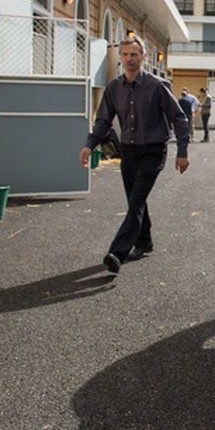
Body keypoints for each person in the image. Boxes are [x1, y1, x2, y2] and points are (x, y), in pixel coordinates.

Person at [79, 36, 191, 274]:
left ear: (143, 57)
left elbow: (179, 118)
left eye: (134, 54)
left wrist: (182, 151)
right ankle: (145, 241)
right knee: (134, 201)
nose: (130, 59)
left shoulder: (157, 86)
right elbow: (103, 121)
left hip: (153, 151)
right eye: (126, 54)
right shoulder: (113, 88)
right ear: (120, 58)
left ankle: (117, 253)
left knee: (137, 201)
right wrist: (90, 144)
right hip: (128, 152)